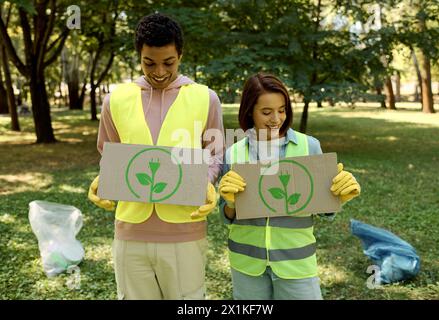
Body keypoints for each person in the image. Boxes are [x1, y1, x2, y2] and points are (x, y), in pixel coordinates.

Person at [87, 13, 224, 300]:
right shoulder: (116, 99)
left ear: (180, 56)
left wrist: (207, 181)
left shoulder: (205, 98)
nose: (159, 71)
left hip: (185, 232)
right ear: (139, 56)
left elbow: (214, 153)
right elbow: (108, 151)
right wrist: (104, 178)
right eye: (150, 63)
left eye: (168, 63)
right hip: (130, 233)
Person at [218, 73, 361, 300]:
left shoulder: (308, 146)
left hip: (296, 264)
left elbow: (326, 209)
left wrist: (339, 196)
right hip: (246, 264)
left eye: (282, 110)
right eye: (266, 112)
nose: (276, 119)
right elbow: (226, 216)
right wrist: (230, 203)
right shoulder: (234, 153)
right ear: (249, 112)